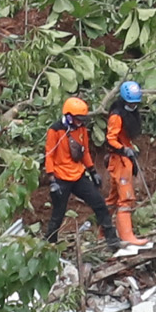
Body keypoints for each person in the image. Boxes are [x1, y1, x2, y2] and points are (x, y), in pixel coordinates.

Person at [38, 96, 108, 246]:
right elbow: (49, 154)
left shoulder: (81, 129)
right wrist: (52, 180)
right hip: (60, 177)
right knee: (58, 214)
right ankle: (49, 245)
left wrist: (93, 171)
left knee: (99, 203)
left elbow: (85, 151)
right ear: (69, 116)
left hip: (78, 175)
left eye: (82, 120)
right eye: (77, 119)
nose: (80, 122)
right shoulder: (55, 130)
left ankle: (111, 239)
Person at [97, 79, 147, 250]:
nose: (133, 106)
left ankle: (102, 234)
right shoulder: (117, 115)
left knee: (112, 199)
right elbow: (111, 139)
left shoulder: (129, 113)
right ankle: (127, 236)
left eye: (135, 103)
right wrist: (124, 149)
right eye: (131, 103)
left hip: (124, 158)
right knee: (125, 198)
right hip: (119, 160)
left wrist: (129, 148)